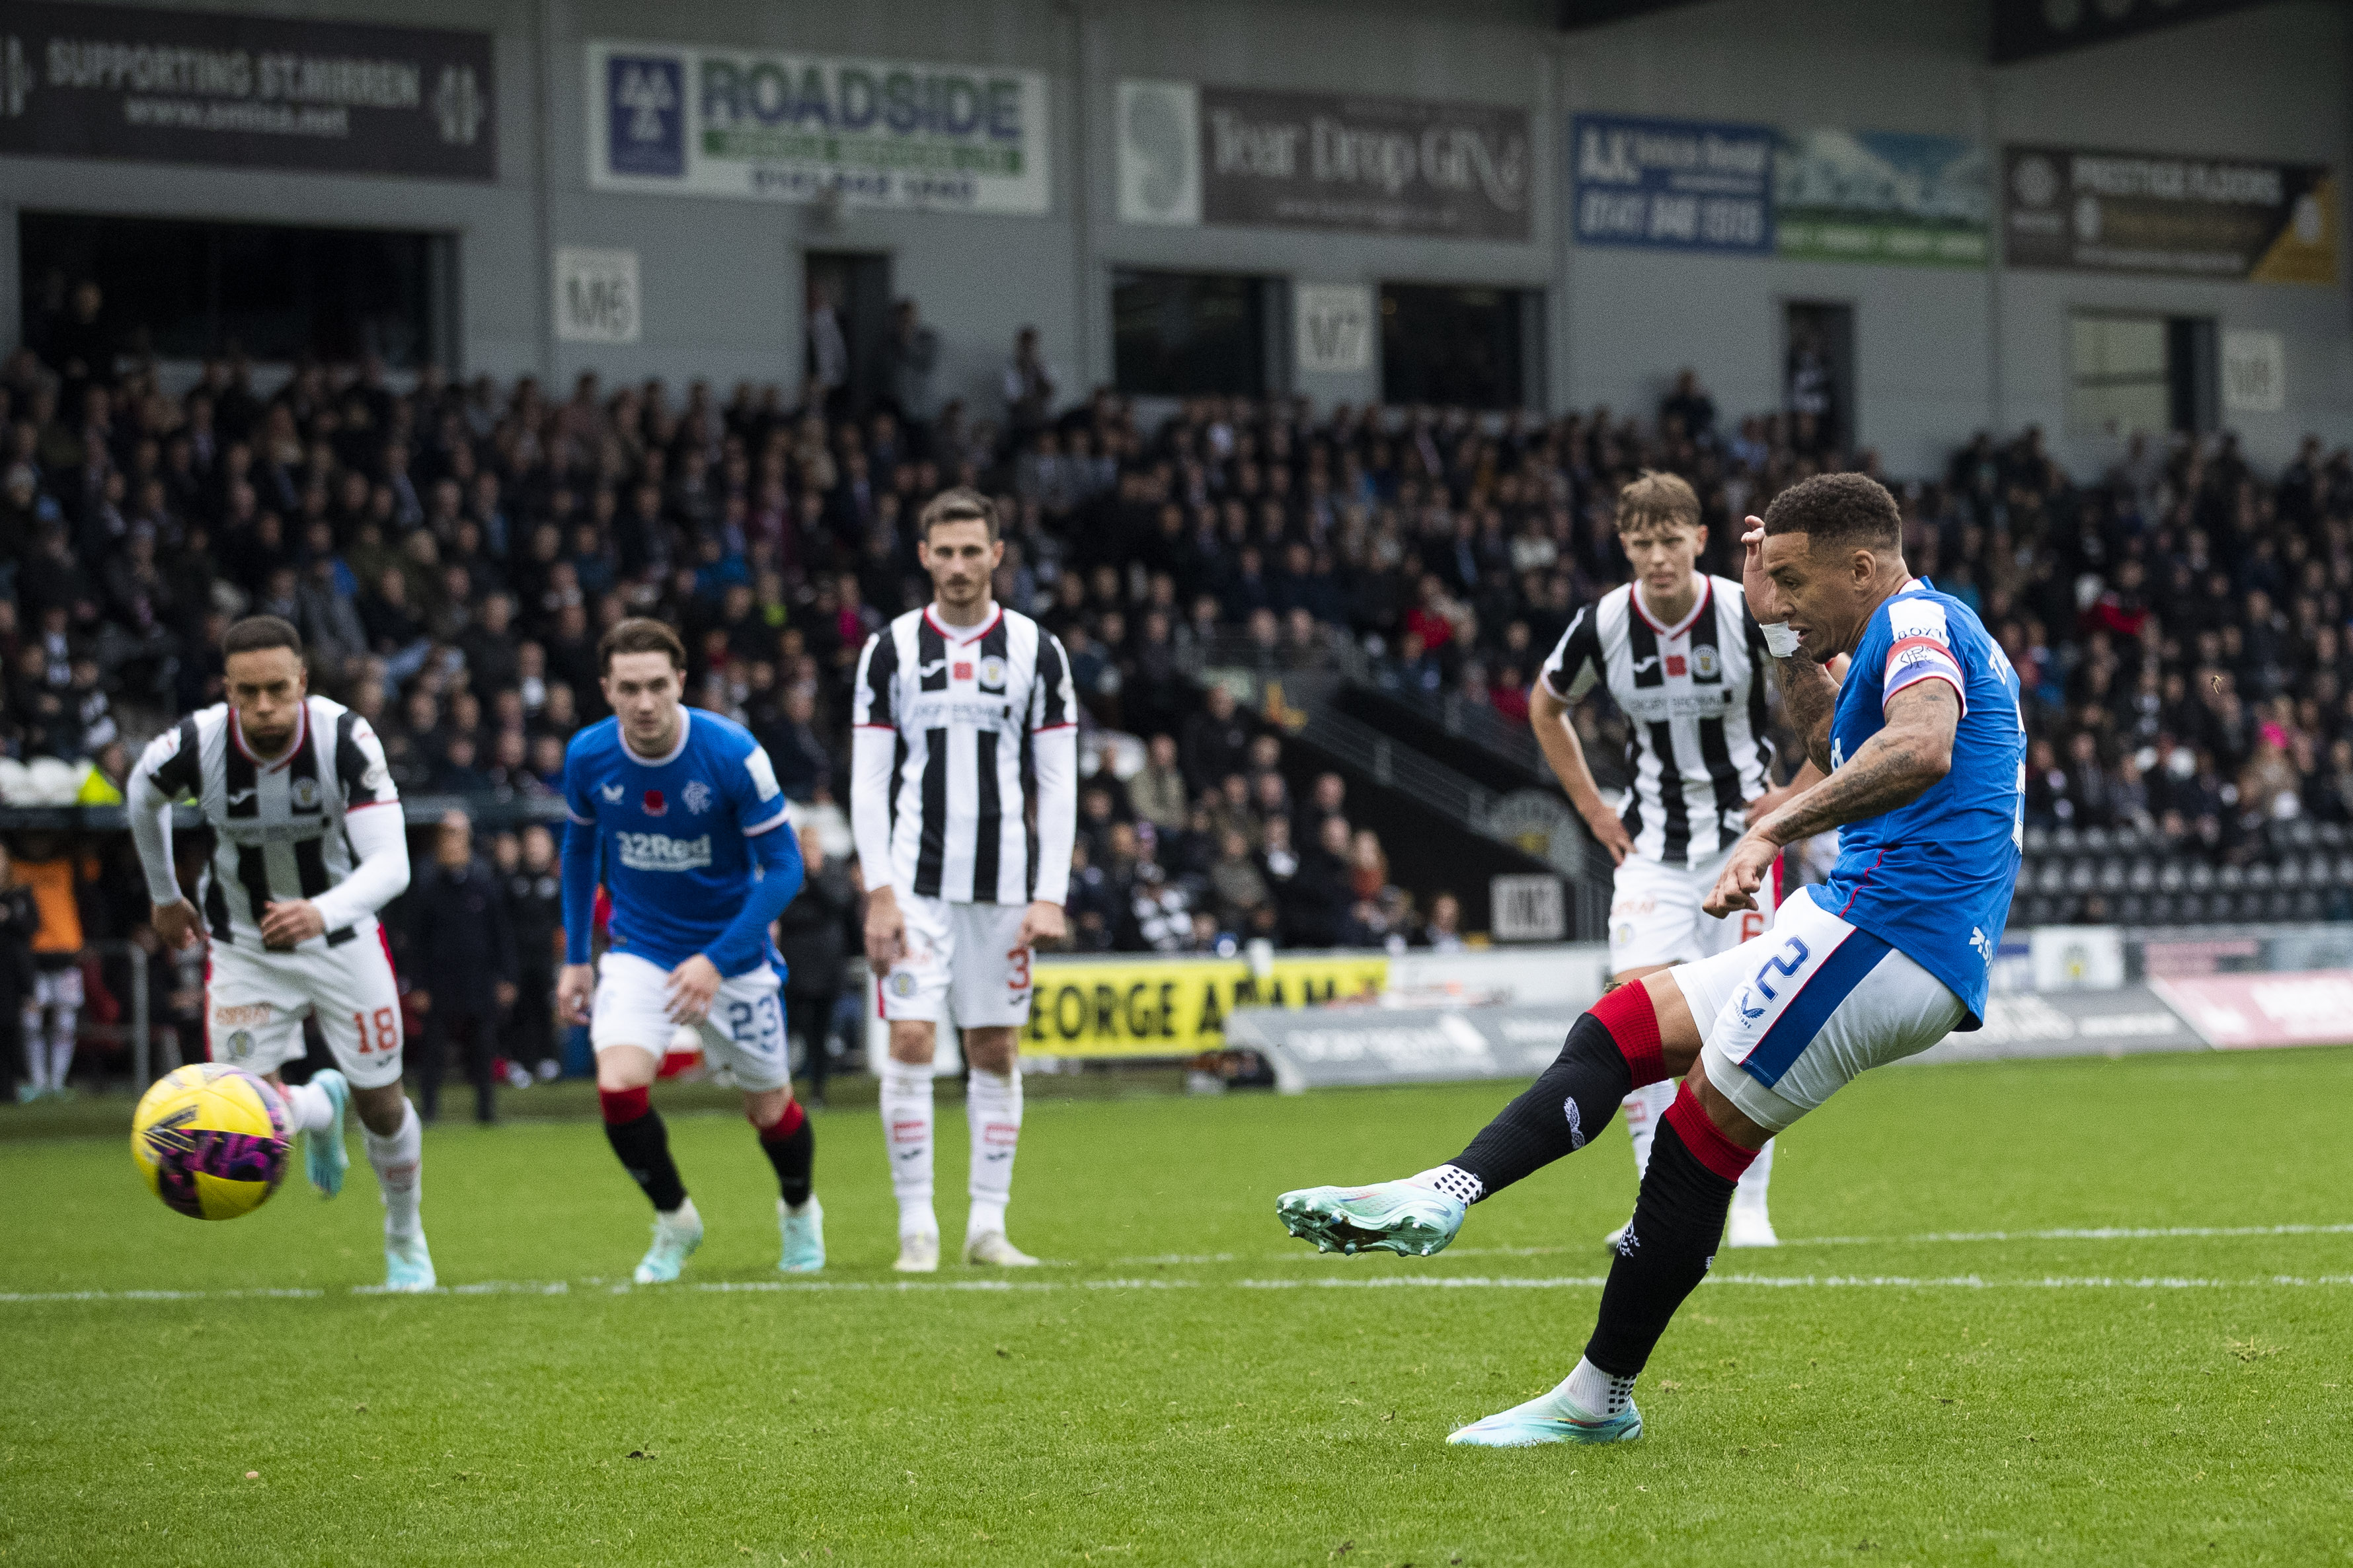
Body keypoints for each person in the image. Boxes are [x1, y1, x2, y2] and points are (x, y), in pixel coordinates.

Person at [1278, 472, 2026, 1448]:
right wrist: (1772, 625)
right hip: (1856, 919)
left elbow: (1922, 747)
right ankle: (1445, 1189)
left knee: (1692, 1140)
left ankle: (1596, 1399)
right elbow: (1822, 732)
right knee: (1620, 1026)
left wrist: (1772, 830)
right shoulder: (1878, 636)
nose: (1781, 594)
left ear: (1863, 565)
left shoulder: (1922, 620)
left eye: (1795, 580)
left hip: (1890, 934)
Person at [1526, 470, 1822, 1250]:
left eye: (1670, 540)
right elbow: (1544, 704)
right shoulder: (1600, 626)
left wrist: (1791, 801)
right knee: (1633, 1025)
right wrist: (1592, 809)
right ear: (1623, 546)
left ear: (1697, 539)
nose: (1656, 557)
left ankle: (1749, 1206)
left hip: (1741, 847)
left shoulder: (1741, 610)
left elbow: (1833, 695)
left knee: (1751, 1025)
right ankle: (1649, 1204)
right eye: (1640, 543)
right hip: (1652, 853)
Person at [124, 616, 432, 1289]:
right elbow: (140, 795)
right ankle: (319, 1107)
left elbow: (392, 866)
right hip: (243, 949)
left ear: (303, 683)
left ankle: (405, 1239)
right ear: (227, 691)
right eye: (247, 692)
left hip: (344, 939)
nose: (263, 707)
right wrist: (164, 893)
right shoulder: (196, 742)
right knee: (248, 1112)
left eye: (277, 690)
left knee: (382, 1106)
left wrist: (319, 911)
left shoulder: (345, 738)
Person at [851, 488, 1077, 1271]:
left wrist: (1050, 892)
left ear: (996, 554)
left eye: (970, 551)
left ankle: (986, 1226)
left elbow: (1058, 779)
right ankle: (917, 1227)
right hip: (913, 885)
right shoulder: (887, 650)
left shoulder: (1036, 650)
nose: (956, 566)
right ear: (922, 556)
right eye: (942, 552)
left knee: (994, 1048)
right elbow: (868, 777)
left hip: (1005, 886)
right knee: (910, 1039)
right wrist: (878, 888)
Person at [555, 618, 820, 1283]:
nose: (643, 703)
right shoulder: (587, 755)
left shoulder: (732, 754)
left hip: (732, 953)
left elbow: (785, 868)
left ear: (680, 683)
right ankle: (675, 1221)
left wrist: (716, 959)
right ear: (606, 690)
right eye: (628, 688)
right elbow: (580, 849)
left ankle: (798, 1209)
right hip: (640, 948)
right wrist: (576, 958)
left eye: (656, 686)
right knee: (617, 1086)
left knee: (769, 1110)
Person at [406, 810, 518, 1125]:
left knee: (483, 1047)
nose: (451, 845)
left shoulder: (484, 887)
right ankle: (429, 1110)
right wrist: (418, 985)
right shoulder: (427, 891)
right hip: (440, 983)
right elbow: (417, 943)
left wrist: (506, 977)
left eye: (457, 838)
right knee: (433, 1050)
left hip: (478, 981)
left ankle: (486, 1111)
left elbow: (501, 935)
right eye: (446, 839)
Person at [773, 820, 855, 1107]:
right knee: (794, 1023)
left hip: (826, 959)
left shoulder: (832, 868)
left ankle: (818, 1088)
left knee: (821, 1027)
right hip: (796, 958)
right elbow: (780, 908)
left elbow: (841, 903)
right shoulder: (787, 871)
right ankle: (784, 1086)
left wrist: (816, 875)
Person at [12, 839, 85, 1100]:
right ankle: (37, 1081)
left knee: (65, 1024)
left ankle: (57, 1082)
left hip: (66, 958)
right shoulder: (14, 867)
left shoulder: (67, 864)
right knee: (31, 1023)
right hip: (32, 960)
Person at [500, 825, 564, 1082]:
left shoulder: (557, 883)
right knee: (519, 1010)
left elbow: (564, 924)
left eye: (542, 843)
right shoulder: (512, 881)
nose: (537, 849)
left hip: (547, 959)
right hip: (517, 960)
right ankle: (520, 1062)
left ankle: (548, 1060)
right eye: (532, 843)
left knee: (546, 1008)